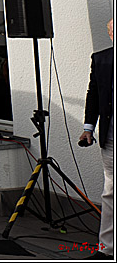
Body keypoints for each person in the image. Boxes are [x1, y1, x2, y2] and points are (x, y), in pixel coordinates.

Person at [79, 18, 113, 259]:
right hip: (111, 135)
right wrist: (88, 127)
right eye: (112, 29)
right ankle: (107, 249)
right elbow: (94, 93)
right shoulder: (101, 58)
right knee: (110, 190)